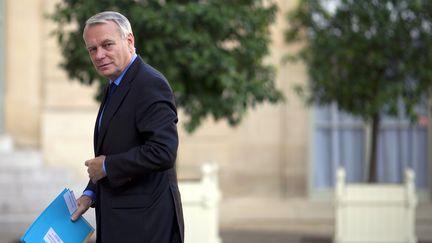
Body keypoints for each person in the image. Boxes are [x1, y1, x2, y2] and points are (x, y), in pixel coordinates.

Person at [70, 11, 184, 243]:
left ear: (129, 41)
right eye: (92, 49)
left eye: (107, 45)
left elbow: (163, 151)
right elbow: (116, 150)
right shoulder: (116, 84)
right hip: (122, 222)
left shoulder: (149, 83)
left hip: (146, 226)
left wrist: (109, 166)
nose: (99, 55)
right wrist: (90, 193)